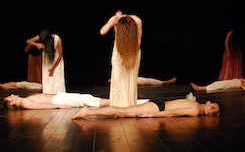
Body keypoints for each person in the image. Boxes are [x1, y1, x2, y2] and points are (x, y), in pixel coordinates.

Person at [100, 10, 142, 107]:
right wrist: (114, 18)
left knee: (131, 77)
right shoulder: (116, 20)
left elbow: (138, 40)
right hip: (119, 51)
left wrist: (133, 57)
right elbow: (102, 31)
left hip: (133, 50)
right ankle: (118, 105)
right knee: (118, 77)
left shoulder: (137, 21)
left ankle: (129, 105)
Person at [71, 99, 220, 119]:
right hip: (157, 107)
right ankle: (89, 111)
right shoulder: (195, 110)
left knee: (122, 112)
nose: (212, 111)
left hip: (158, 105)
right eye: (212, 107)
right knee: (121, 112)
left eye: (214, 112)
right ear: (208, 102)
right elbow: (173, 112)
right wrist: (152, 115)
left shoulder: (194, 103)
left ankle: (89, 111)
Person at [26, 29, 65, 94]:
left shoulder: (58, 40)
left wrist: (53, 69)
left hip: (56, 60)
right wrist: (37, 44)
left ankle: (58, 93)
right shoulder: (42, 36)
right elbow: (28, 41)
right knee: (47, 77)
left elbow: (60, 56)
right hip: (47, 59)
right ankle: (47, 93)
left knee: (56, 77)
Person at [3, 93, 149, 110]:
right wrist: (59, 106)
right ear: (11, 103)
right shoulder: (25, 103)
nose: (11, 95)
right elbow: (41, 106)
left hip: (60, 97)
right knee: (88, 100)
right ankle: (127, 102)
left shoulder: (25, 100)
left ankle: (125, 102)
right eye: (9, 97)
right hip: (60, 100)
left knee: (88, 98)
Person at [108, 76, 177, 86]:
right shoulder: (120, 82)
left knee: (150, 80)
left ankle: (167, 82)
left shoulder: (119, 79)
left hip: (134, 79)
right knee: (149, 80)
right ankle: (167, 82)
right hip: (135, 81)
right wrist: (140, 84)